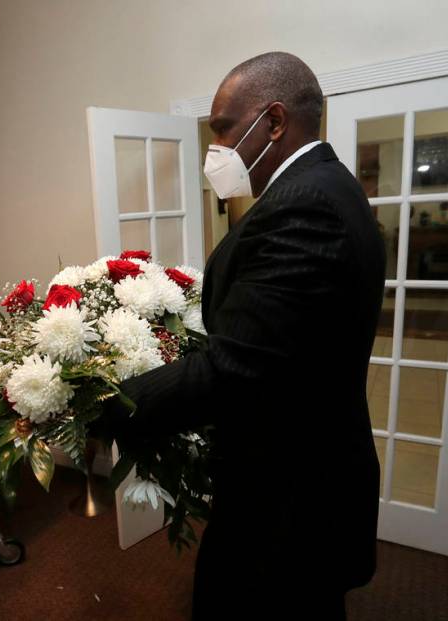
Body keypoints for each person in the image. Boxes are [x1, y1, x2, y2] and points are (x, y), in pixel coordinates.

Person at [101, 52, 386, 619]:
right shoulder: (328, 186)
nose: (216, 147)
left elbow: (234, 370)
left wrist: (105, 404)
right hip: (306, 466)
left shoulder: (305, 205)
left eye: (223, 128)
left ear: (274, 122)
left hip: (290, 491)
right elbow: (274, 339)